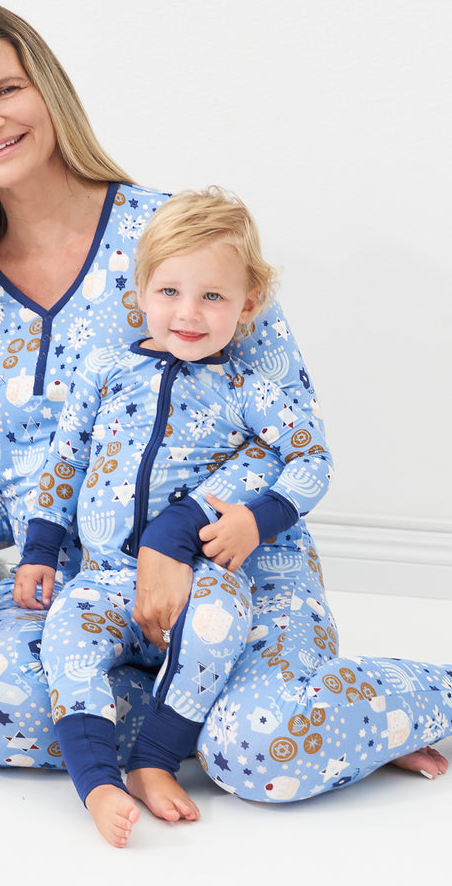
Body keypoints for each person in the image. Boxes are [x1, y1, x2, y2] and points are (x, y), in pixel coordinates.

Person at [0, 1, 449, 847]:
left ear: (48, 92)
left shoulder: (176, 235)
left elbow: (287, 431)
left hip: (238, 578)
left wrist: (175, 532)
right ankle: (238, 721)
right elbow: (15, 482)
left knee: (262, 753)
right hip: (91, 600)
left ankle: (359, 705)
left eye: (6, 89)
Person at [17, 187, 331, 844]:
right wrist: (40, 549)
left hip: (201, 574)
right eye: (170, 293)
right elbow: (65, 459)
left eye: (212, 297)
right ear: (140, 291)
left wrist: (257, 520)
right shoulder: (105, 371)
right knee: (66, 641)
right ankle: (99, 783)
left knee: (218, 624)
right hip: (104, 576)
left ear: (247, 304)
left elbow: (311, 458)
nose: (188, 314)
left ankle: (155, 759)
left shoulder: (249, 389)